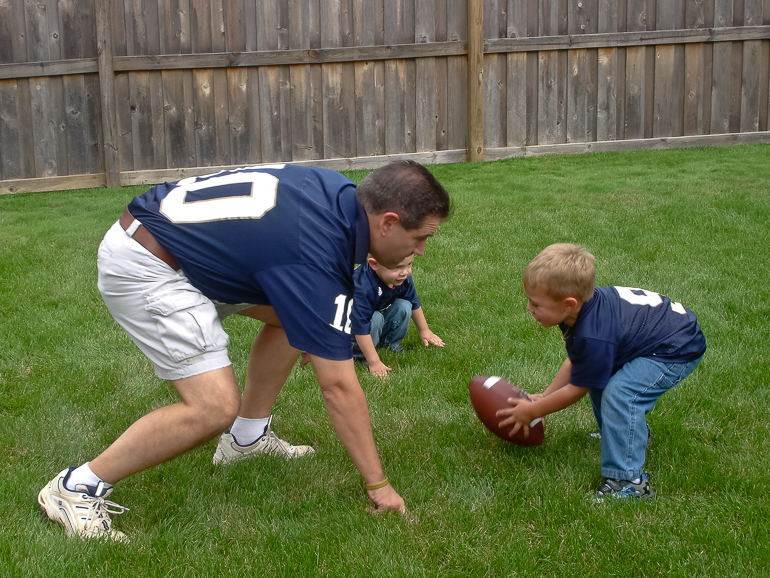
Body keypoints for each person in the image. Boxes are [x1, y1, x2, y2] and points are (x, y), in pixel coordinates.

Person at [38, 161, 451, 540]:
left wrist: (316, 326)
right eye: (420, 239)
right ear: (388, 222)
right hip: (148, 265)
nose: (422, 251)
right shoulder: (314, 249)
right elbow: (338, 388)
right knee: (213, 407)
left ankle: (246, 440)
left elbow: (293, 270)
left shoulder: (339, 192)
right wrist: (378, 485)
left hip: (174, 244)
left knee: (293, 316)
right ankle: (77, 486)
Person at [497, 243, 706, 500]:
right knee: (600, 378)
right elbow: (579, 363)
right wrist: (546, 394)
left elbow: (576, 390)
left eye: (536, 304)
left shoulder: (594, 333)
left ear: (568, 304)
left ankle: (629, 481)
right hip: (656, 337)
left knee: (621, 394)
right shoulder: (577, 313)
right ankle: (618, 434)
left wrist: (534, 410)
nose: (529, 309)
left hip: (675, 348)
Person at [350, 253, 445, 378]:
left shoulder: (401, 278)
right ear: (374, 265)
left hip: (375, 317)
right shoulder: (361, 286)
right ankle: (361, 356)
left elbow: (413, 301)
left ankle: (389, 344)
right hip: (350, 332)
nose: (404, 272)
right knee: (376, 318)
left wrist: (424, 330)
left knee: (404, 306)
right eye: (396, 268)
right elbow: (360, 327)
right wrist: (375, 362)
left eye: (409, 265)